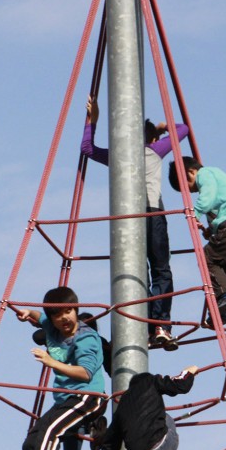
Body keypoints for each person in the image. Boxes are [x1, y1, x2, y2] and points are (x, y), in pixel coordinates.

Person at [82, 96, 188, 350]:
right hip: (152, 214)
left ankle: (144, 325)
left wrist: (92, 120)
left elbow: (87, 149)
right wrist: (163, 127)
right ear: (151, 139)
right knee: (161, 269)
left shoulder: (118, 155)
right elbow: (183, 129)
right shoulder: (154, 150)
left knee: (137, 272)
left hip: (126, 219)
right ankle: (160, 324)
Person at [14, 286, 107, 450]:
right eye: (58, 315)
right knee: (30, 444)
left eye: (69, 312)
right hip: (65, 400)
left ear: (76, 311)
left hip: (88, 397)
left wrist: (51, 362)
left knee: (50, 431)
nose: (64, 318)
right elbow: (39, 316)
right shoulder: (51, 326)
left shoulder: (86, 338)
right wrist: (26, 313)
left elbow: (85, 373)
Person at [168, 156, 226, 328]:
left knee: (207, 258)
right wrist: (212, 230)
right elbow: (221, 203)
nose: (193, 192)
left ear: (191, 172)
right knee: (220, 271)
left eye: (189, 188)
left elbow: (208, 197)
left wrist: (195, 212)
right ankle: (219, 311)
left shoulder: (206, 174)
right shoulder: (221, 178)